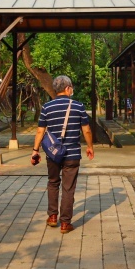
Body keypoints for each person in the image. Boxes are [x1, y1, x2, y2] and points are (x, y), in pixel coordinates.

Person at [31, 75, 94, 234]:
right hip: (72, 154)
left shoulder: (47, 107)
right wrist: (90, 147)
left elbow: (40, 131)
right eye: (71, 86)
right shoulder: (78, 106)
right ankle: (65, 223)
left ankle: (52, 217)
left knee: (53, 182)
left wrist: (35, 150)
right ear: (67, 88)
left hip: (53, 153)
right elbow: (86, 129)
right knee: (68, 188)